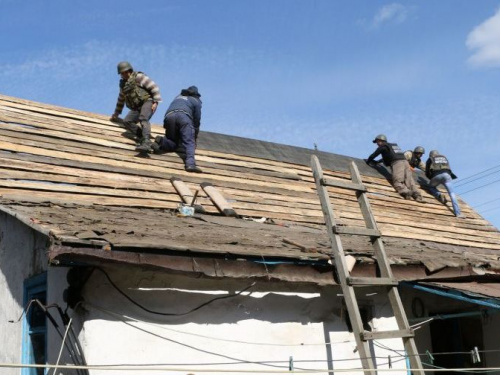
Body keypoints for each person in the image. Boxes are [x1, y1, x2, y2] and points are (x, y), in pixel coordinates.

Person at [110, 61, 162, 152]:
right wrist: (116, 113)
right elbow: (121, 99)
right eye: (121, 73)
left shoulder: (139, 77)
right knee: (127, 121)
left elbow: (154, 87)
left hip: (147, 102)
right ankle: (144, 138)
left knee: (143, 118)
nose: (123, 75)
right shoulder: (123, 85)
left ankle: (146, 141)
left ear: (128, 71)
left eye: (124, 72)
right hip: (136, 107)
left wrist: (156, 102)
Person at [152, 86, 202, 173]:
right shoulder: (196, 101)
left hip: (169, 117)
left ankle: (162, 141)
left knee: (173, 142)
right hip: (183, 117)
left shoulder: (178, 97)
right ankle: (190, 164)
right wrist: (195, 135)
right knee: (189, 142)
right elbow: (197, 120)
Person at [366, 134, 423, 201]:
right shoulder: (393, 146)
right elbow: (391, 156)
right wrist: (378, 162)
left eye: (377, 142)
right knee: (409, 181)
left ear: (380, 141)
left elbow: (374, 155)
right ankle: (417, 196)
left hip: (397, 163)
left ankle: (406, 192)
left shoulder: (383, 146)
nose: (377, 144)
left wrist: (368, 161)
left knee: (397, 181)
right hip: (406, 163)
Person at [425, 150, 462, 217]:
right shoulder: (444, 157)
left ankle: (438, 194)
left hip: (436, 176)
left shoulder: (430, 158)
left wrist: (431, 177)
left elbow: (427, 172)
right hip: (447, 175)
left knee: (431, 187)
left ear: (431, 155)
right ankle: (458, 213)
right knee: (452, 194)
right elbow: (448, 168)